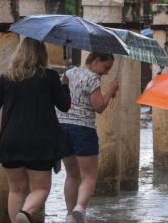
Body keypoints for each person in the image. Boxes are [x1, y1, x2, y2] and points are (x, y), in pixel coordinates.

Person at [0, 37, 71, 223]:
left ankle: (18, 219)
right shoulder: (49, 77)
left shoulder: (7, 77)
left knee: (16, 189)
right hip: (40, 143)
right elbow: (64, 106)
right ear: (42, 53)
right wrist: (65, 85)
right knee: (41, 189)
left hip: (10, 142)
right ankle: (25, 213)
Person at [58, 53, 119, 223]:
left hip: (62, 128)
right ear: (96, 60)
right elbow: (98, 107)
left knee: (71, 175)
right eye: (106, 67)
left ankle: (70, 216)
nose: (106, 73)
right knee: (89, 176)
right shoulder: (93, 78)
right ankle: (80, 208)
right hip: (83, 130)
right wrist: (110, 91)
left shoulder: (69, 73)